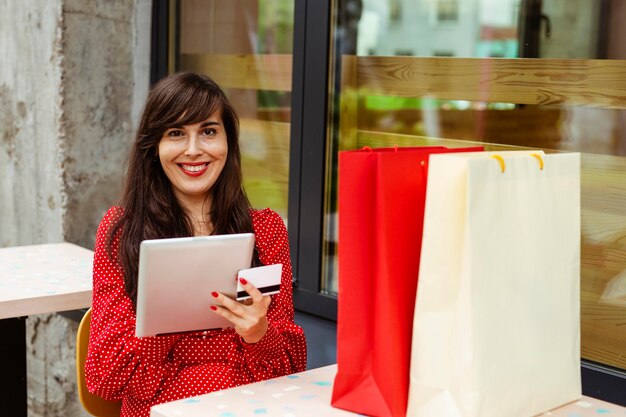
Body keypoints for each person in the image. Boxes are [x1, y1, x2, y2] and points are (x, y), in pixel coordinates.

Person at [85, 72, 307, 417]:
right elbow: (104, 378)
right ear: (153, 146)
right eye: (176, 133)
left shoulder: (265, 229)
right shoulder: (123, 230)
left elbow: (291, 368)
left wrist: (258, 333)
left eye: (208, 131)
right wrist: (161, 322)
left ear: (227, 142)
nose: (193, 150)